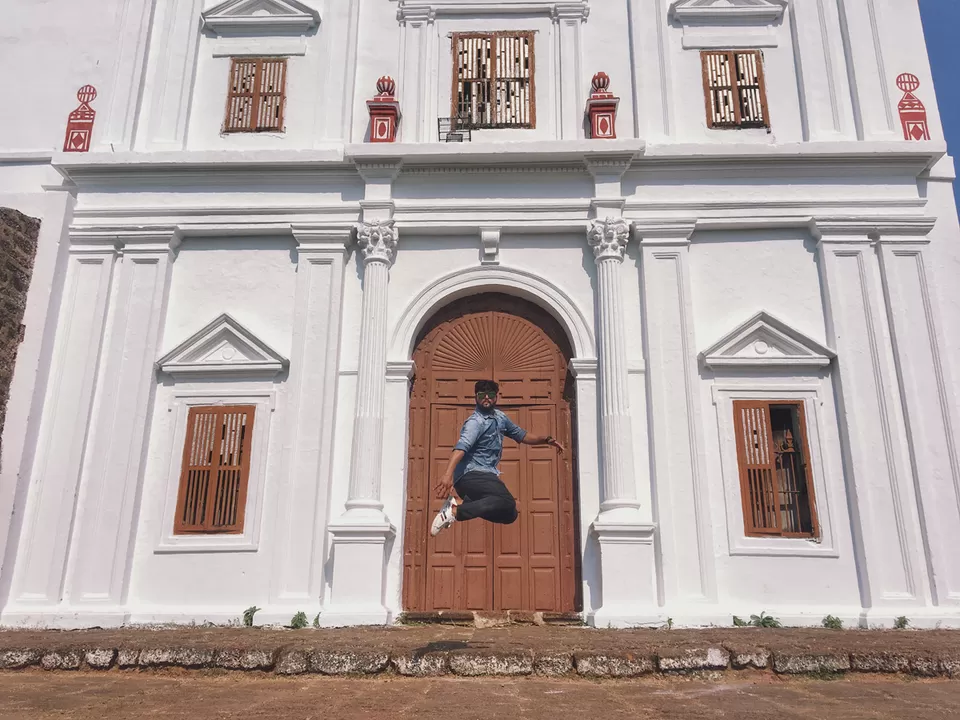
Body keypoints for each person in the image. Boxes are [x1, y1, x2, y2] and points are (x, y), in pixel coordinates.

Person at [430, 380, 564, 536]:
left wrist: (546, 440)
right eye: (482, 395)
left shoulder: (501, 418)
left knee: (509, 514)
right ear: (476, 397)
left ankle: (460, 504)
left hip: (485, 474)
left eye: (491, 395)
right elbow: (461, 448)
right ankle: (453, 512)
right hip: (470, 474)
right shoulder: (475, 422)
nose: (486, 398)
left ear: (496, 397)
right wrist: (447, 475)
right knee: (505, 500)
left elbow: (522, 435)